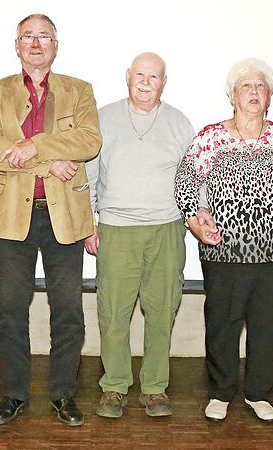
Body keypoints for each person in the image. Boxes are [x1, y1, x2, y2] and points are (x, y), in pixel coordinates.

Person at [175, 58, 273, 423]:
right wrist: (195, 219)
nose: (254, 92)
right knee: (222, 323)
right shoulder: (211, 137)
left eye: (260, 86)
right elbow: (185, 182)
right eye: (246, 86)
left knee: (266, 326)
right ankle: (220, 392)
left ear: (269, 96)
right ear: (232, 95)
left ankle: (258, 393)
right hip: (222, 250)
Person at [0, 13, 101, 427]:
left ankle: (63, 394)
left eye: (44, 36)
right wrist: (49, 164)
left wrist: (36, 145)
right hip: (12, 217)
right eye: (27, 37)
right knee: (11, 310)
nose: (35, 43)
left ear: (55, 45)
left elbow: (90, 141)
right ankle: (13, 394)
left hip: (65, 216)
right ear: (16, 46)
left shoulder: (79, 91)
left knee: (68, 310)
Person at [85, 52, 194, 418]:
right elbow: (89, 175)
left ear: (164, 82)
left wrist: (197, 218)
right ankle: (114, 387)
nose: (146, 83)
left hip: (166, 228)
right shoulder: (104, 118)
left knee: (162, 310)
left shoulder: (179, 123)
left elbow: (192, 179)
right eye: (140, 75)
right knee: (113, 312)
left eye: (154, 76)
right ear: (128, 76)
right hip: (116, 228)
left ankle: (155, 388)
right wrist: (89, 222)